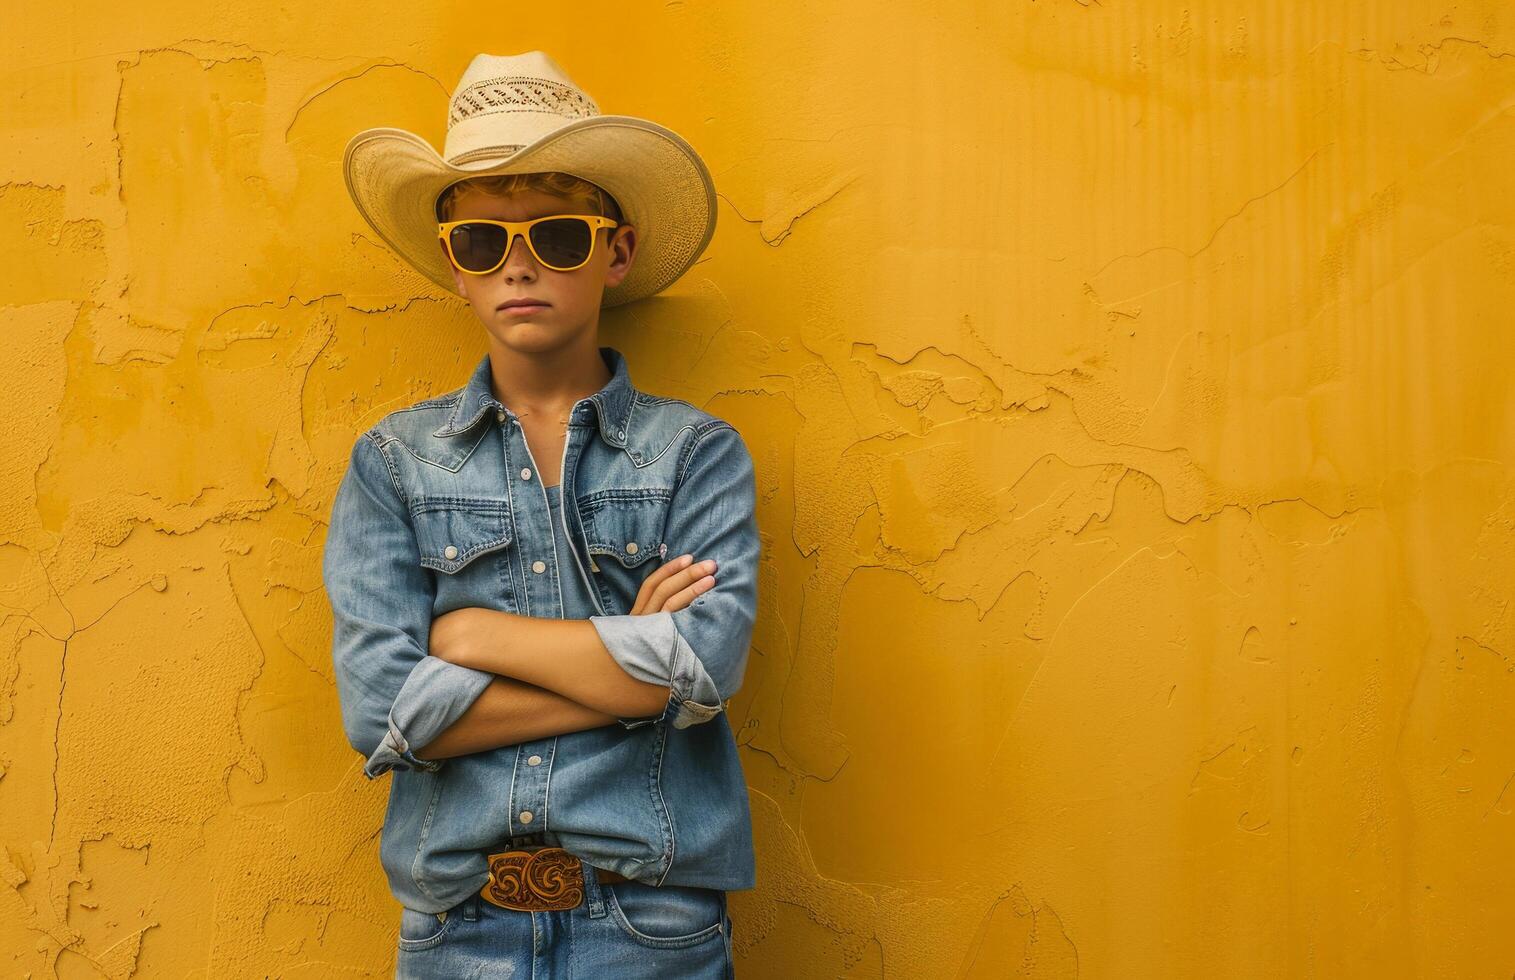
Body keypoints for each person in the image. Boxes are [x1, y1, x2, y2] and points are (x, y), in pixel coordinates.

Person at [323, 50, 759, 978]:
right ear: (454, 266)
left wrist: (472, 634)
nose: (518, 267)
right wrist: (628, 679)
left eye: (556, 237)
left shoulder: (696, 454)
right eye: (483, 243)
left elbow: (700, 666)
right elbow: (381, 711)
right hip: (457, 928)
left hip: (650, 924)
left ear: (617, 248)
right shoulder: (393, 464)